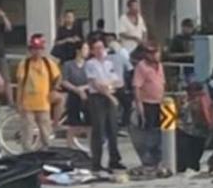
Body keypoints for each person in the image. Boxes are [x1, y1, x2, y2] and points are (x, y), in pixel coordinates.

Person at [85, 36, 126, 171]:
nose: (99, 51)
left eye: (101, 48)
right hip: (97, 98)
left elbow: (117, 81)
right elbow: (95, 84)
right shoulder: (90, 64)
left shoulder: (109, 63)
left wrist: (108, 86)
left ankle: (114, 159)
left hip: (109, 94)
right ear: (92, 50)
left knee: (112, 129)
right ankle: (96, 162)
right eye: (96, 48)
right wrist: (109, 94)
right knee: (99, 129)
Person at [14, 34, 60, 151]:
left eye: (39, 49)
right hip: (27, 104)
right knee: (27, 132)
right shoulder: (24, 65)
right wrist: (18, 102)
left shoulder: (49, 64)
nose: (37, 52)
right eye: (34, 49)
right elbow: (20, 85)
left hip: (44, 103)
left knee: (45, 132)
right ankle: (27, 154)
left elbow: (58, 77)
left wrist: (54, 89)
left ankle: (46, 152)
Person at [131, 41, 165, 173]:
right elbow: (137, 87)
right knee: (149, 132)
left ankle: (159, 159)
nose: (156, 55)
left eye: (157, 52)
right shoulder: (142, 67)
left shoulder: (160, 66)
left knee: (160, 131)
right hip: (147, 103)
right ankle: (149, 160)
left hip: (159, 102)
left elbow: (161, 83)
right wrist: (139, 106)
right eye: (154, 53)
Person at [58, 40, 91, 151]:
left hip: (87, 95)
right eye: (85, 48)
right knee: (72, 123)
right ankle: (70, 146)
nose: (87, 51)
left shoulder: (89, 65)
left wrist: (84, 88)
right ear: (78, 50)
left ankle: (91, 146)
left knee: (89, 123)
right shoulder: (68, 65)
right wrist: (76, 90)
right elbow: (64, 81)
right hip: (73, 95)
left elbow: (93, 80)